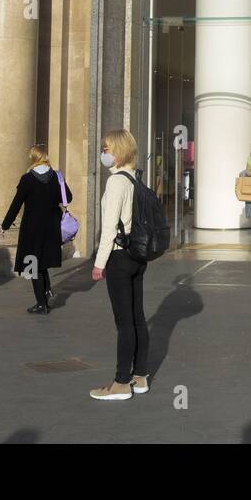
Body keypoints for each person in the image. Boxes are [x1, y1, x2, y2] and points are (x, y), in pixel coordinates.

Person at [90, 130, 151, 401]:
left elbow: (109, 228)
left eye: (107, 148)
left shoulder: (116, 182)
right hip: (137, 255)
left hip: (118, 256)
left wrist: (98, 263)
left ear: (118, 151)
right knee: (137, 318)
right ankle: (140, 376)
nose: (104, 153)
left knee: (123, 322)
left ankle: (120, 383)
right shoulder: (135, 179)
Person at [2, 144, 70, 314]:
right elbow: (68, 198)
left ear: (33, 158)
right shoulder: (56, 176)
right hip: (51, 227)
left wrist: (5, 225)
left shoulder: (27, 179)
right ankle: (46, 293)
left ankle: (41, 304)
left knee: (32, 266)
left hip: (32, 229)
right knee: (43, 263)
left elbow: (16, 204)